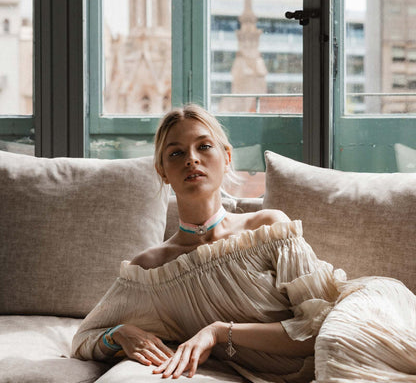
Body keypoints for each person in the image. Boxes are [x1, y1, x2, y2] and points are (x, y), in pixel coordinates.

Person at [72, 104, 416, 382]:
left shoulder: (268, 229)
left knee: (336, 345)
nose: (192, 158)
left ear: (226, 157)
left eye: (204, 146)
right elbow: (84, 337)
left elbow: (316, 328)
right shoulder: (152, 271)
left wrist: (219, 332)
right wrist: (119, 333)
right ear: (162, 171)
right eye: (176, 153)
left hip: (357, 318)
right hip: (289, 369)